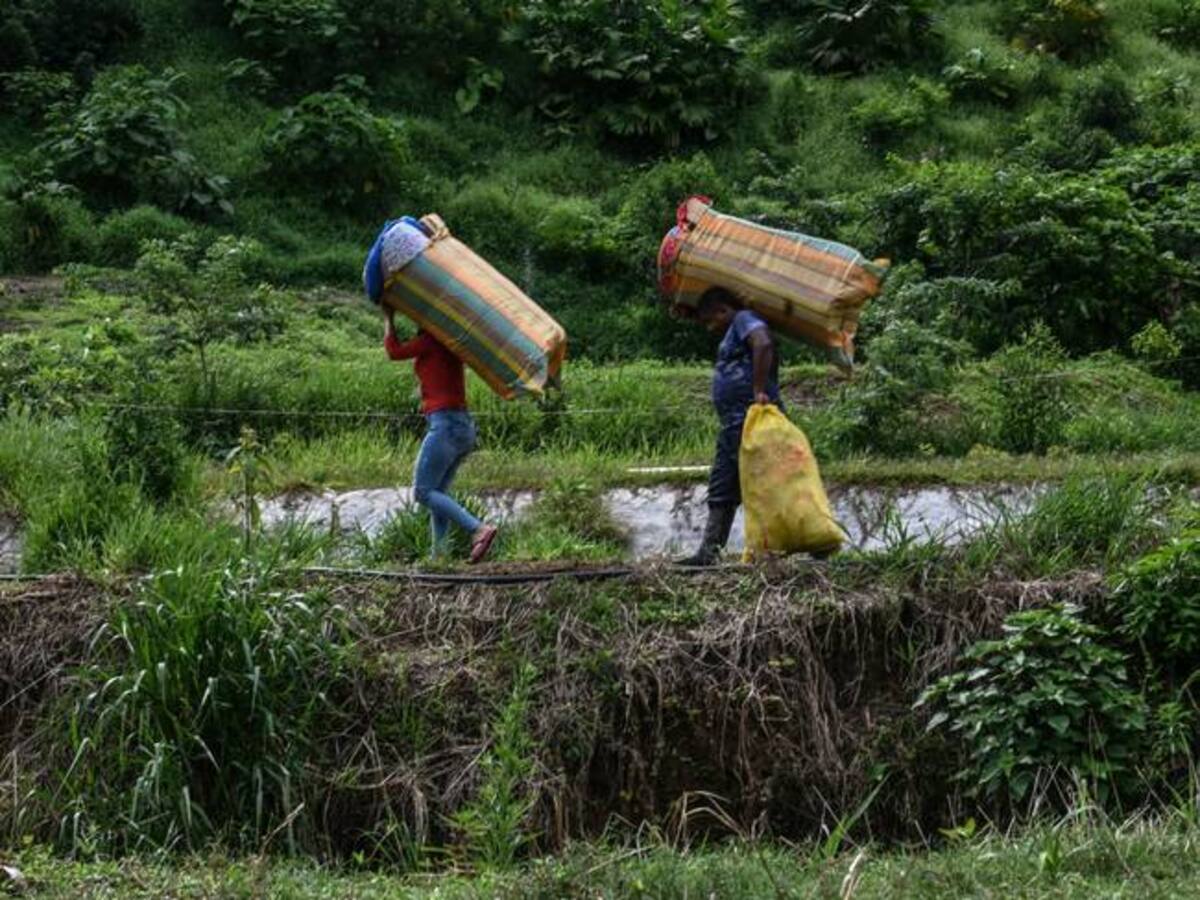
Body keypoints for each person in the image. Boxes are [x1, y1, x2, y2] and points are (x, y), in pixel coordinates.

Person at [383, 308, 498, 563]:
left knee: (423, 493)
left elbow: (394, 352)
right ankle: (439, 556)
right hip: (464, 427)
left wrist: (388, 317)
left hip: (444, 424)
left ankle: (478, 529)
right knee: (439, 494)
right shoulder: (452, 343)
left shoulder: (429, 340)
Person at [679, 289, 782, 566]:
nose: (710, 328)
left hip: (750, 420)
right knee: (724, 482)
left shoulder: (745, 319)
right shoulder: (733, 328)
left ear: (724, 310)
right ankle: (709, 552)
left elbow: (763, 343)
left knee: (763, 481)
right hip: (735, 424)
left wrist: (759, 389)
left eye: (711, 321)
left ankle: (784, 546)